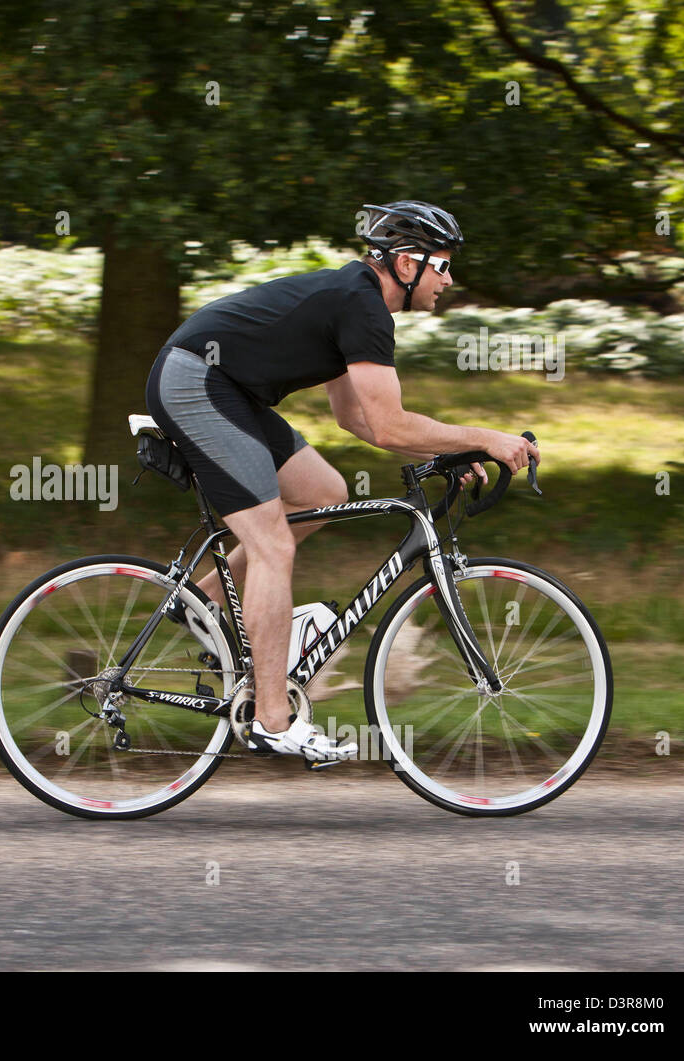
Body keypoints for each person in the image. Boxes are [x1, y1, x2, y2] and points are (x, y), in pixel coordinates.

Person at [144, 200, 539, 760]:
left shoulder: (357, 301)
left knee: (325, 493)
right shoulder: (363, 305)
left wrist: (459, 444)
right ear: (407, 264)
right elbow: (388, 423)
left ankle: (201, 605)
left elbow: (358, 420)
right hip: (196, 382)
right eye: (442, 264)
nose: (448, 279)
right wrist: (484, 437)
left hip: (225, 386)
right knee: (272, 544)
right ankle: (272, 720)